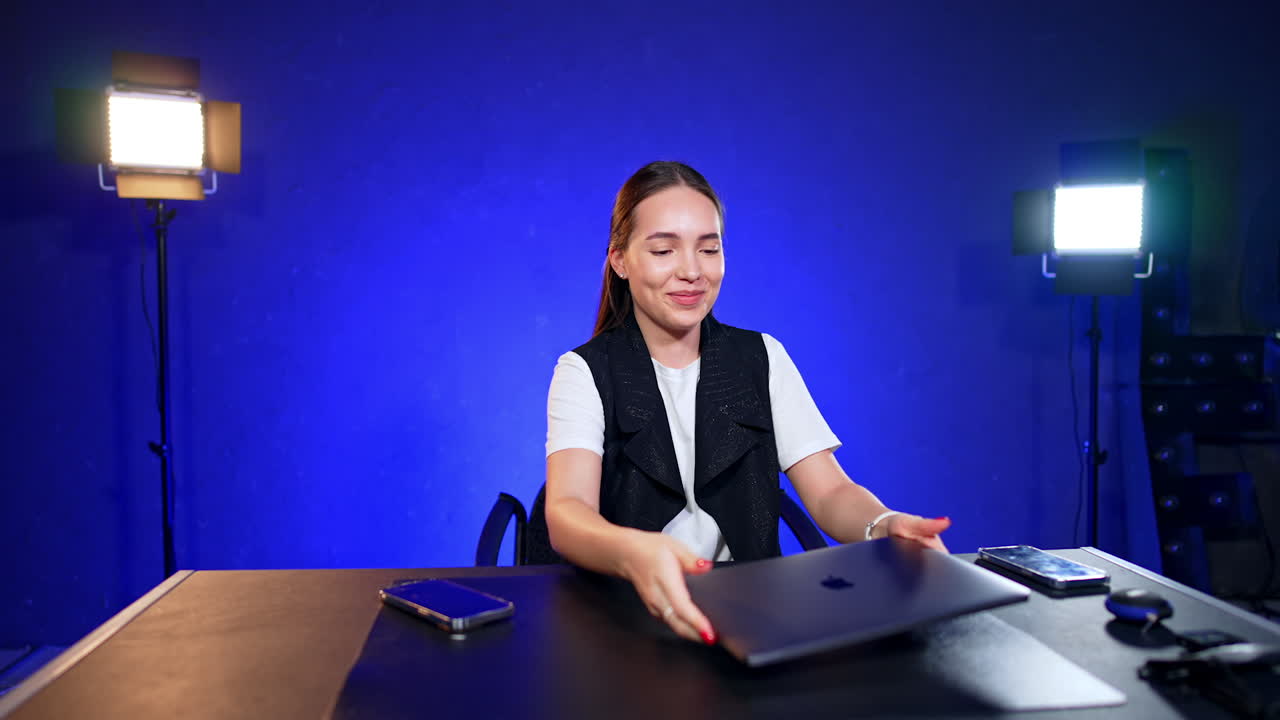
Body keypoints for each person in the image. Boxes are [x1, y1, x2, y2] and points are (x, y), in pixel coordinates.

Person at [534, 161, 951, 646]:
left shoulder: (762, 357)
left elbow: (830, 493)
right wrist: (635, 551)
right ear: (621, 261)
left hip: (752, 619)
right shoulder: (583, 370)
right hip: (625, 621)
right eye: (664, 250)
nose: (692, 271)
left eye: (709, 249)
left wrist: (884, 525)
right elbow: (567, 512)